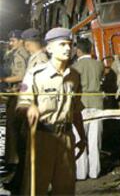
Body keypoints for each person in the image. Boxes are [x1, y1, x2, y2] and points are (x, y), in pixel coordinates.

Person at [17, 27, 86, 195]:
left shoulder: (74, 76)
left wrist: (82, 137)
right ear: (49, 49)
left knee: (65, 188)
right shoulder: (35, 74)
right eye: (62, 44)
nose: (68, 49)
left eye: (69, 44)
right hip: (42, 138)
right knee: (36, 187)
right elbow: (21, 104)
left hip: (66, 138)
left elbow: (76, 110)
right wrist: (30, 107)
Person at [72, 38, 104, 180]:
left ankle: (81, 173)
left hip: (81, 105)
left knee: (80, 139)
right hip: (97, 104)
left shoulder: (75, 67)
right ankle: (94, 172)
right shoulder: (99, 65)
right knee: (94, 139)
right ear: (91, 49)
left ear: (78, 51)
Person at [0, 30, 29, 183]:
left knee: (15, 130)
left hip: (18, 95)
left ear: (20, 41)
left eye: (13, 40)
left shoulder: (19, 54)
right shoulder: (16, 53)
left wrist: (3, 79)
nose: (10, 43)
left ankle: (16, 163)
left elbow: (22, 75)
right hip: (16, 93)